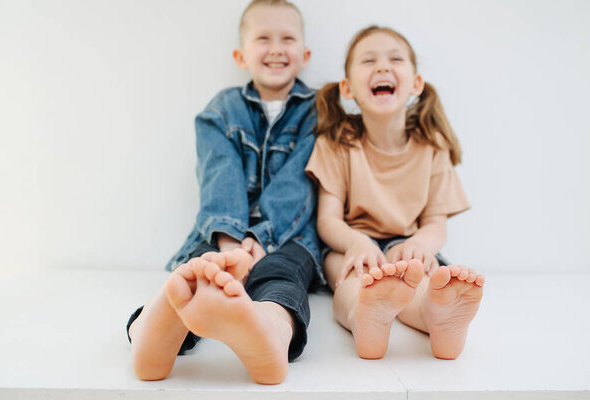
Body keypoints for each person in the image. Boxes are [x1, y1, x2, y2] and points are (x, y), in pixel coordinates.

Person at [126, 0, 323, 385]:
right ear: (241, 55)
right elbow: (220, 172)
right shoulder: (223, 109)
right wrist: (231, 244)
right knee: (198, 271)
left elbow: (302, 179)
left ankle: (270, 330)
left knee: (282, 276)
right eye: (263, 38)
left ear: (305, 55)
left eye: (287, 38)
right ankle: (153, 326)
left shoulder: (319, 111)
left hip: (288, 236)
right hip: (222, 232)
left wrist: (261, 238)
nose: (277, 48)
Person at [305, 25, 485, 360]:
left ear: (416, 84)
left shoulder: (432, 146)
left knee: (424, 280)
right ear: (347, 89)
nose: (383, 67)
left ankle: (436, 318)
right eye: (368, 60)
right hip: (353, 246)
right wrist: (358, 243)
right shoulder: (337, 142)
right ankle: (363, 315)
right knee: (349, 278)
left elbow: (436, 224)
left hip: (408, 246)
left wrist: (417, 245)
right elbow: (328, 220)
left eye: (396, 59)